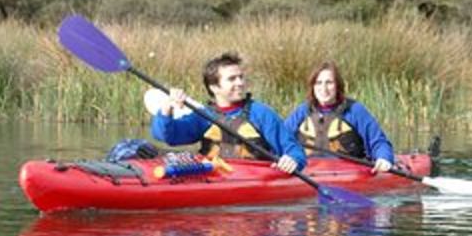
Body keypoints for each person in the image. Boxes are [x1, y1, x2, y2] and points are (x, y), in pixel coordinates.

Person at [151, 52, 306, 174]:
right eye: (232, 79)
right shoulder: (204, 116)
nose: (240, 83)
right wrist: (167, 107)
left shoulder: (261, 113)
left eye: (241, 77)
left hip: (253, 180)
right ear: (214, 87)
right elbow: (167, 137)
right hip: (212, 176)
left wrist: (292, 160)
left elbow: (294, 150)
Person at [285, 61, 394, 174]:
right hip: (308, 172)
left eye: (329, 83)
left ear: (337, 86)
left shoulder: (355, 111)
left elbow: (378, 142)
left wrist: (384, 158)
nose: (324, 88)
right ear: (312, 86)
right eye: (318, 83)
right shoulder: (302, 111)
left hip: (349, 174)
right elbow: (281, 140)